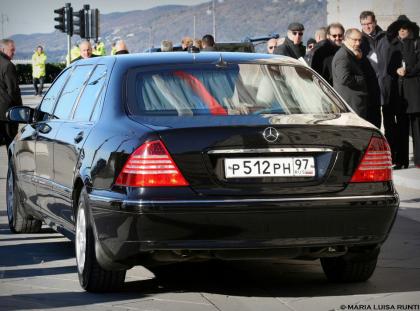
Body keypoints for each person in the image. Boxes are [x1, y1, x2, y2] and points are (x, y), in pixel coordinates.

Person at [387, 15, 420, 169]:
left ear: (410, 30)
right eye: (399, 29)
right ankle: (401, 161)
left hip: (414, 92)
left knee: (417, 128)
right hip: (399, 94)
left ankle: (419, 160)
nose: (402, 31)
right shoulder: (393, 45)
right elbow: (388, 67)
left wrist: (408, 71)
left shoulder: (417, 43)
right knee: (401, 128)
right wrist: (396, 70)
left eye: (404, 29)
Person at [360, 11, 390, 134]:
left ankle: (393, 151)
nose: (367, 27)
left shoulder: (386, 37)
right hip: (371, 88)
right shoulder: (359, 41)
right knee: (374, 122)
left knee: (390, 123)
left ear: (375, 22)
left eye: (369, 23)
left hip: (387, 85)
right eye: (364, 24)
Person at [332, 29, 372, 121]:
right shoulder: (343, 56)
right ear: (346, 39)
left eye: (359, 40)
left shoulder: (351, 53)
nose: (358, 43)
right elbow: (344, 78)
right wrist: (361, 79)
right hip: (350, 103)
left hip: (354, 102)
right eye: (355, 40)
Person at [0, 39, 22, 149]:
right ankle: (11, 166)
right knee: (11, 145)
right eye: (11, 50)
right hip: (7, 114)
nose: (13, 53)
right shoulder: (8, 65)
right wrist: (21, 111)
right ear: (3, 49)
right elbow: (13, 91)